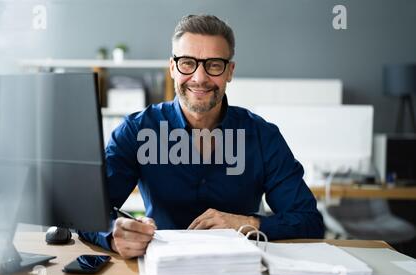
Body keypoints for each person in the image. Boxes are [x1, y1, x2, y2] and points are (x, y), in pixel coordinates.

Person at [79, 14, 324, 259]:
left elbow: (309, 222)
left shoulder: (263, 136)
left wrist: (247, 224)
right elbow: (85, 213)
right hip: (159, 272)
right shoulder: (137, 130)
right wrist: (113, 233)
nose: (200, 78)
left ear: (230, 71)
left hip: (241, 272)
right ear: (173, 68)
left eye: (214, 65)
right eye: (187, 63)